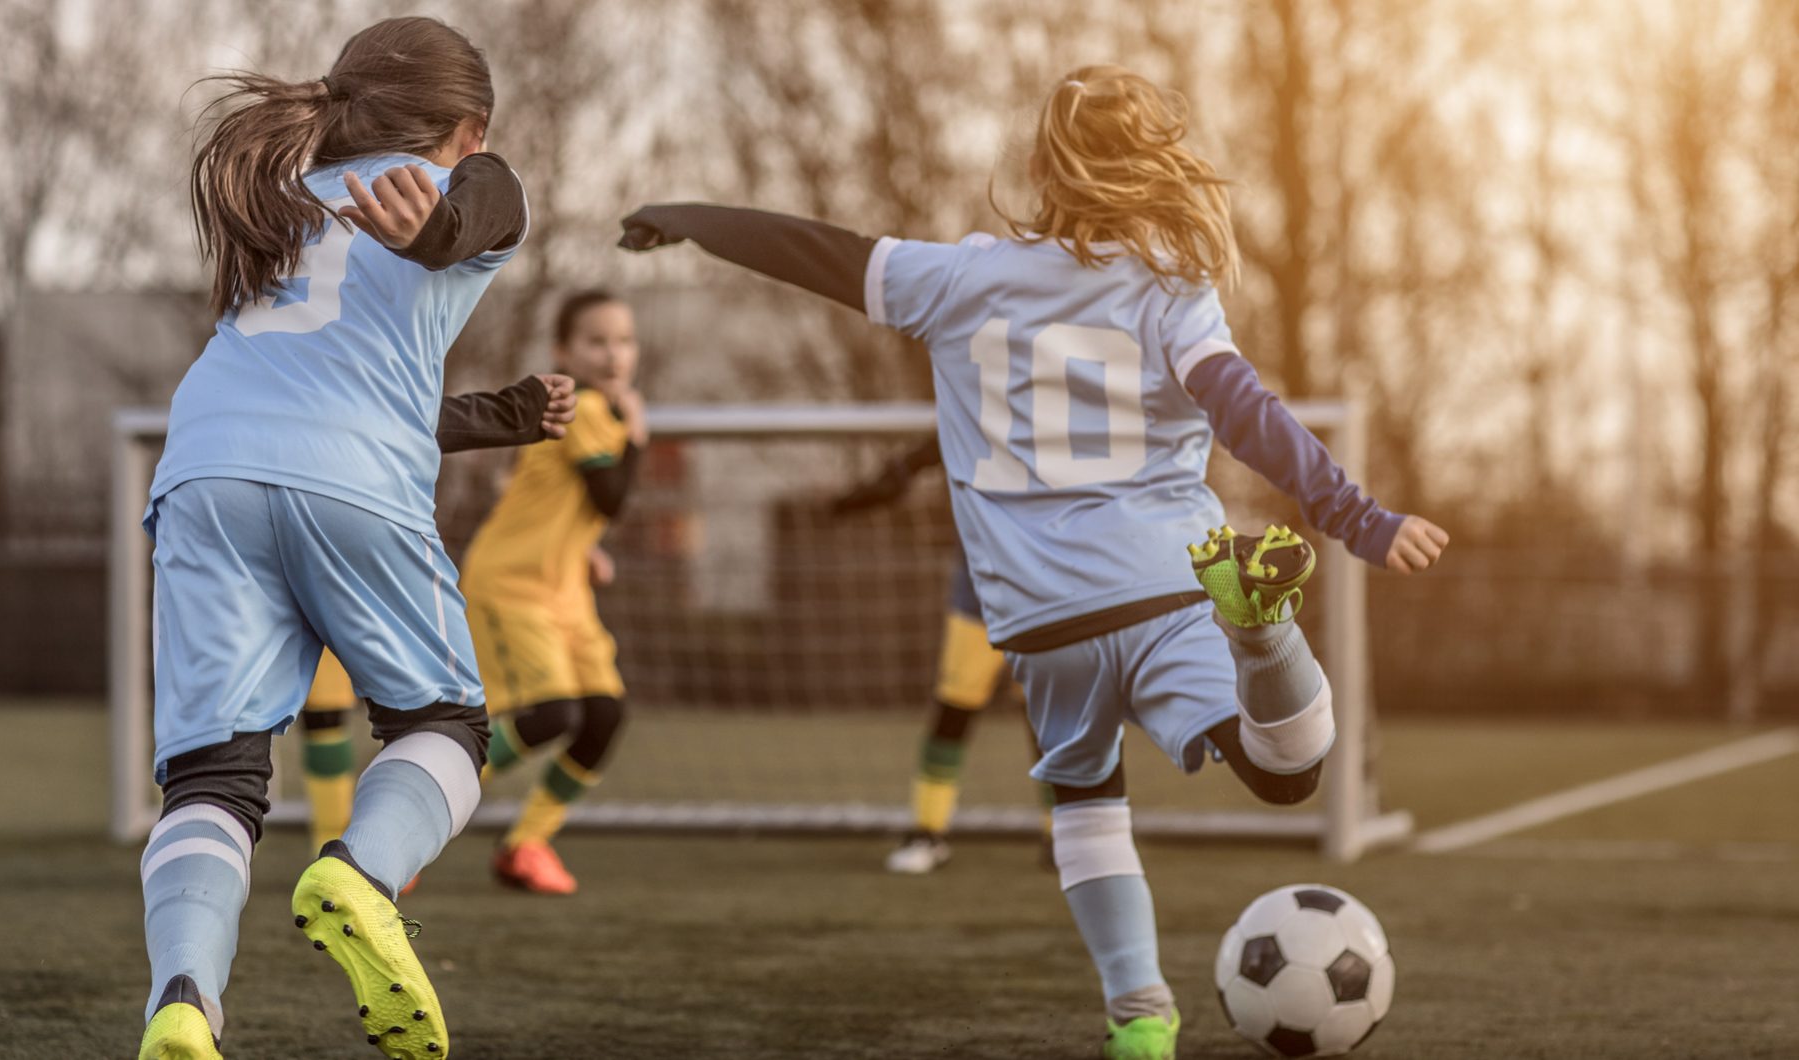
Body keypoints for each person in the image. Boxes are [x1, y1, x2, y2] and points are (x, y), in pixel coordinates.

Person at [617, 65, 1449, 1060]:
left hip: (1039, 618)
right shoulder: (1169, 290)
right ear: (1153, 164)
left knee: (1087, 804)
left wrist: (689, 216)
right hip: (1165, 582)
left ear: (1042, 170)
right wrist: (1350, 516)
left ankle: (1139, 1015)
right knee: (1283, 774)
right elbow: (1244, 410)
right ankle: (1260, 634)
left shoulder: (956, 276)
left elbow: (814, 251)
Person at [136, 16, 525, 1059]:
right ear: (469, 128)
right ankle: (358, 871)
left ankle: (181, 1004)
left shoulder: (281, 199)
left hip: (204, 470)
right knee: (444, 727)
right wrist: (435, 229)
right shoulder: (460, 183)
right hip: (350, 478)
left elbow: (335, 369)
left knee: (210, 778)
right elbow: (489, 204)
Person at [300, 374, 579, 858]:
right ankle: (367, 839)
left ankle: (352, 839)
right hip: (354, 532)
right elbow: (398, 419)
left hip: (282, 525)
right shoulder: (354, 359)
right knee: (447, 721)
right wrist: (513, 413)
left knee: (228, 747)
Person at [459, 290, 648, 895]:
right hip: (513, 585)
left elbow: (554, 498)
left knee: (603, 715)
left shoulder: (591, 414)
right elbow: (611, 497)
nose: (614, 354)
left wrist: (581, 548)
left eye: (624, 341)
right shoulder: (588, 406)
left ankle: (526, 844)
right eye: (597, 341)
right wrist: (640, 438)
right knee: (552, 716)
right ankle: (408, 819)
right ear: (564, 351)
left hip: (563, 590)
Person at [826, 438, 1056, 875]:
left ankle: (1063, 835)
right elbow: (920, 456)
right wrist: (877, 486)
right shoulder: (972, 405)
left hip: (1050, 592)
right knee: (955, 708)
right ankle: (928, 831)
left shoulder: (1059, 410)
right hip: (981, 593)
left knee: (1049, 718)